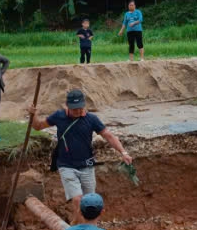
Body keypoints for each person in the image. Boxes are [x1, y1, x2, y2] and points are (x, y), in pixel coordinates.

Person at [28, 88, 133, 221]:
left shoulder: (91, 119)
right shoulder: (59, 116)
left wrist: (123, 152)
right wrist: (33, 115)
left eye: (80, 108)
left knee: (91, 203)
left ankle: (84, 225)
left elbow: (108, 135)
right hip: (66, 165)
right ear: (67, 106)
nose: (77, 111)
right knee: (77, 199)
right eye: (74, 109)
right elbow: (38, 126)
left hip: (87, 166)